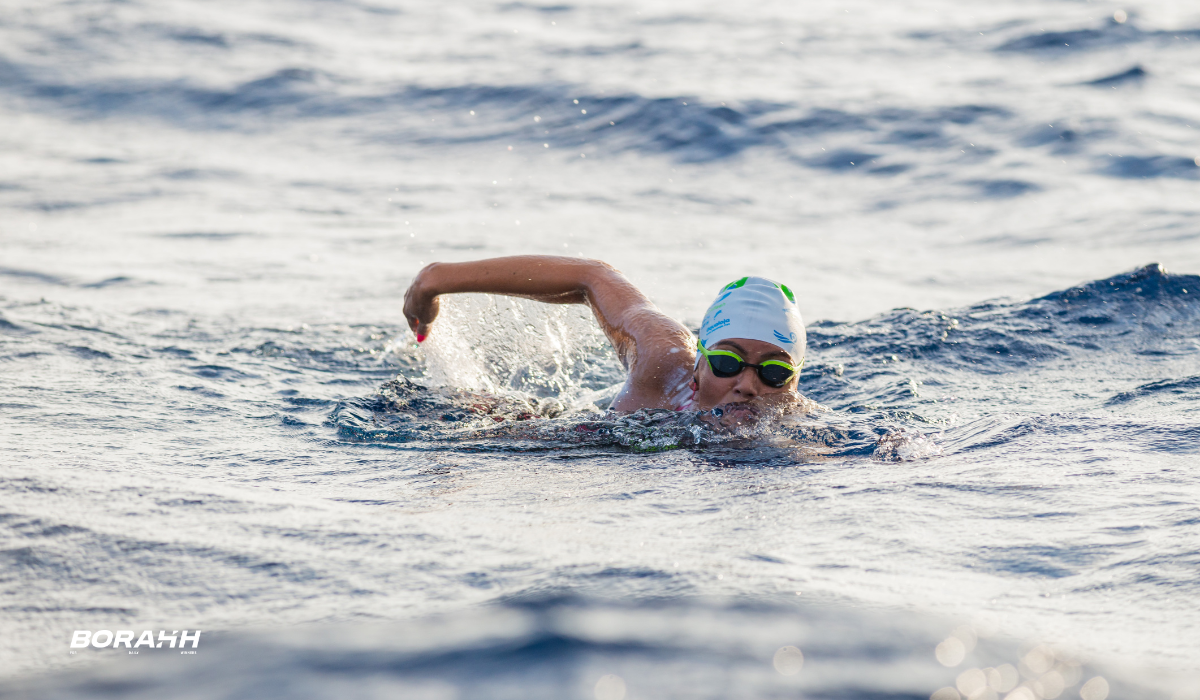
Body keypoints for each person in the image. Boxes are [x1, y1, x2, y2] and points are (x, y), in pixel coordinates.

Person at [402, 256, 806, 415]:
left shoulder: (806, 434)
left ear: (794, 385)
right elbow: (592, 277)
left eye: (773, 372)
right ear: (699, 365)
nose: (747, 385)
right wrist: (434, 281)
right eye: (727, 363)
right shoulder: (663, 360)